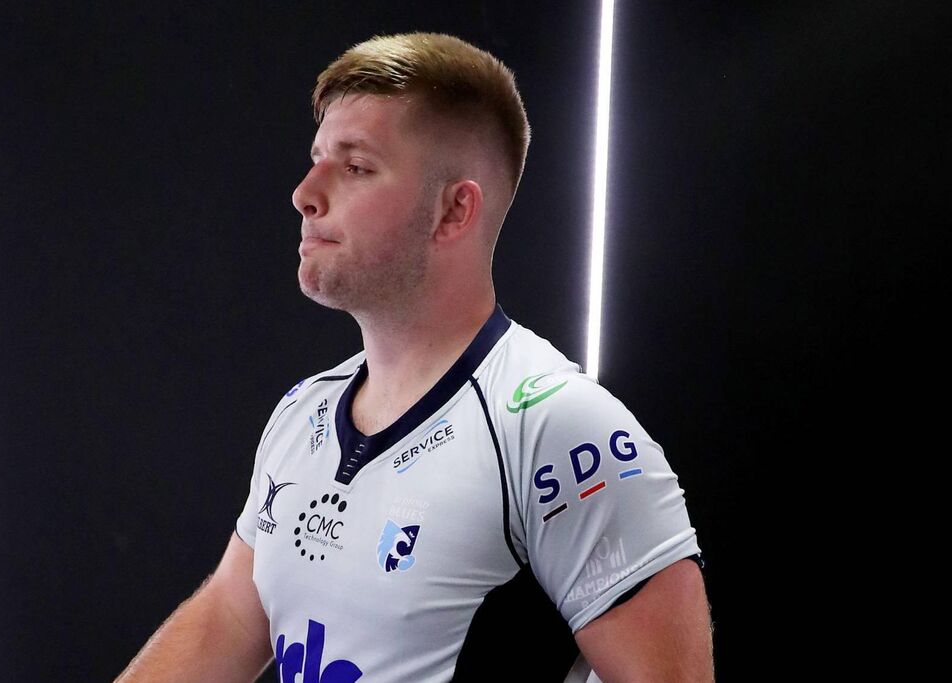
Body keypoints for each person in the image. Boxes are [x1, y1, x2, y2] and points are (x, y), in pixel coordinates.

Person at [116, 31, 713, 682]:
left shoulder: (560, 431)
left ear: (454, 210)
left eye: (355, 165)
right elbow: (231, 615)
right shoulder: (303, 412)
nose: (305, 192)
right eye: (316, 158)